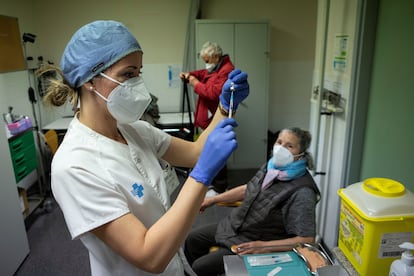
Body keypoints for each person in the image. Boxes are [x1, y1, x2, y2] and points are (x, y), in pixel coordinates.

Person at [36, 20, 249, 276]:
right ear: (89, 80)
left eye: (139, 73)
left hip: (175, 265)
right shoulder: (74, 165)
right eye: (127, 74)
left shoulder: (134, 130)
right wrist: (201, 177)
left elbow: (195, 153)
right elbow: (148, 256)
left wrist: (225, 108)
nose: (137, 84)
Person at [184, 127, 320, 276]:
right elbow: (248, 189)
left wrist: (263, 247)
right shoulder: (272, 167)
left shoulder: (303, 191)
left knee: (201, 266)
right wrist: (213, 199)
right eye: (279, 142)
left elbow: (307, 239)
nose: (281, 149)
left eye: (289, 146)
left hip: (255, 241)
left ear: (301, 155)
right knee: (192, 240)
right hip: (235, 226)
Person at [180, 41, 235, 196]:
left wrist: (195, 83)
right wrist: (190, 74)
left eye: (207, 60)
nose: (205, 64)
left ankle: (220, 187)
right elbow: (202, 74)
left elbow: (212, 92)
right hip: (210, 118)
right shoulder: (215, 68)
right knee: (211, 149)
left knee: (218, 149)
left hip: (217, 118)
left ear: (216, 57)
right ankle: (215, 183)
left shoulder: (226, 71)